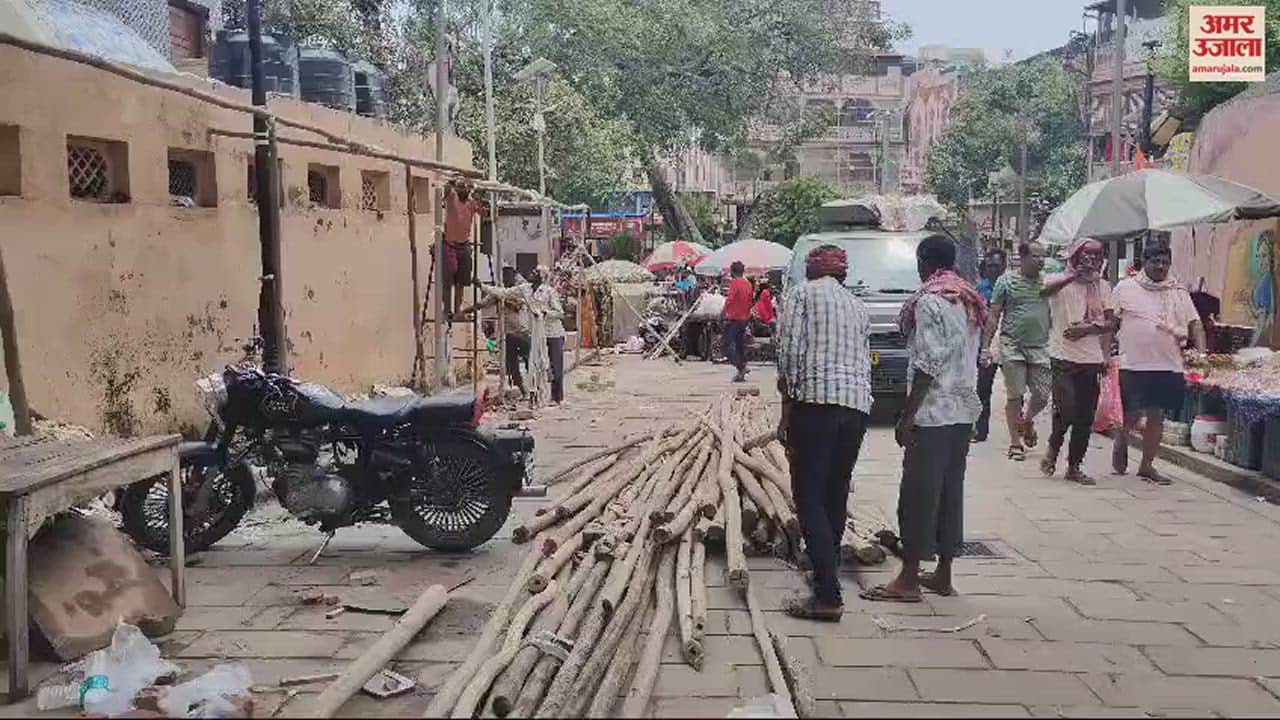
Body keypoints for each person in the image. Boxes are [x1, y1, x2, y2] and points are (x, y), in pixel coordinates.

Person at [861, 235, 986, 604]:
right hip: (964, 411)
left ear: (924, 263)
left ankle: (909, 579)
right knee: (950, 490)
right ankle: (944, 573)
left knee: (917, 494)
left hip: (934, 412)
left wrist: (907, 414)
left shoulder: (930, 302)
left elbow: (928, 362)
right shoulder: (968, 300)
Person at [776, 245, 872, 620]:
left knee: (809, 496)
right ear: (843, 275)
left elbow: (788, 354)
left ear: (812, 272)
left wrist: (787, 409)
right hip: (857, 407)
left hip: (816, 403)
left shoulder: (800, 295)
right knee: (835, 492)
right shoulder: (857, 305)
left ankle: (828, 596)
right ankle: (825, 574)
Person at [1111, 243, 1206, 485]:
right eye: (1156, 261)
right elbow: (1111, 322)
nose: (1161, 266)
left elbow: (1195, 323)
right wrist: (1104, 353)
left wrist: (1202, 354)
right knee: (1132, 414)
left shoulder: (1178, 291)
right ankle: (1122, 436)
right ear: (1145, 261)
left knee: (1157, 415)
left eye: (1165, 262)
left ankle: (1146, 465)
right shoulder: (1125, 287)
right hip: (1133, 363)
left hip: (1168, 364)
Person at [1039, 239, 1118, 485]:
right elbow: (1042, 293)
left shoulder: (1103, 286)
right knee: (1066, 408)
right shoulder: (1058, 281)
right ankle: (1054, 446)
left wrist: (1092, 335)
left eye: (1096, 255)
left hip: (1091, 359)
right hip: (1062, 356)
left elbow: (1111, 324)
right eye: (1086, 255)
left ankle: (1074, 466)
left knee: (1085, 415)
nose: (1091, 260)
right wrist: (1074, 277)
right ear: (1074, 256)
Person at [983, 242, 1051, 462]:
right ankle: (1015, 443)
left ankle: (1027, 419)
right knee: (1015, 395)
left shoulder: (1048, 282)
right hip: (1012, 345)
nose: (1041, 261)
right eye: (1036, 256)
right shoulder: (1006, 281)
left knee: (1042, 395)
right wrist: (985, 346)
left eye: (1043, 257)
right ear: (1022, 258)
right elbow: (994, 316)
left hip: (1040, 346)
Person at [474, 266, 532, 397]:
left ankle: (535, 387)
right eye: (505, 277)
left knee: (530, 360)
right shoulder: (497, 292)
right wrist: (465, 311)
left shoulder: (520, 290)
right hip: (507, 335)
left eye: (510, 276)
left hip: (522, 332)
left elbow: (519, 305)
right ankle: (523, 391)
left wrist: (504, 299)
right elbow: (482, 304)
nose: (508, 279)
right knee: (512, 366)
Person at [972, 249, 1007, 443]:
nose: (993, 269)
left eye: (997, 265)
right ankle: (980, 430)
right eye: (990, 265)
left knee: (1015, 392)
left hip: (1009, 344)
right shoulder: (980, 289)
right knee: (983, 389)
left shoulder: (1011, 286)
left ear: (1004, 266)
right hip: (986, 344)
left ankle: (1017, 433)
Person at [441, 181, 480, 319]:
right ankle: (446, 311)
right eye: (461, 189)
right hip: (449, 245)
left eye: (465, 189)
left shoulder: (471, 202)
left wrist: (478, 195)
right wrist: (452, 182)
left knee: (461, 282)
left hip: (464, 245)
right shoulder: (452, 198)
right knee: (447, 281)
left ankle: (458, 310)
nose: (463, 191)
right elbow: (445, 190)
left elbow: (483, 212)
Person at [529, 266, 567, 404]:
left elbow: (560, 313)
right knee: (539, 365)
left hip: (554, 333)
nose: (532, 273)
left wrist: (546, 313)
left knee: (555, 366)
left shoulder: (549, 292)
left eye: (536, 272)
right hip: (539, 334)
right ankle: (540, 395)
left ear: (542, 276)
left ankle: (557, 397)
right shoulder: (528, 291)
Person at [722, 261, 753, 382]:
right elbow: (750, 302)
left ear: (732, 272)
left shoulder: (735, 283)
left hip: (733, 319)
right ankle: (741, 371)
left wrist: (722, 313)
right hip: (744, 319)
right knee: (740, 345)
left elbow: (729, 300)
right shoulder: (748, 284)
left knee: (726, 346)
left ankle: (741, 366)